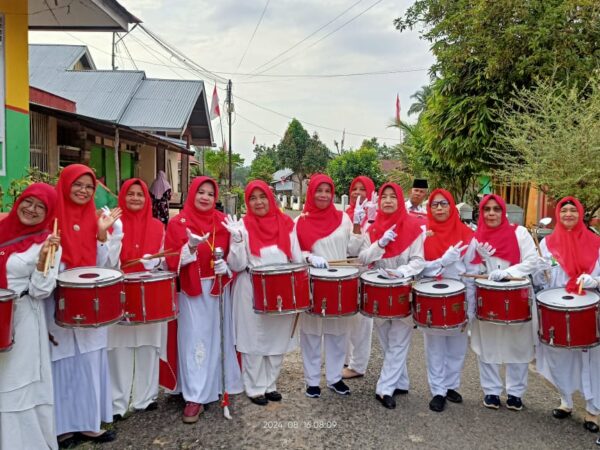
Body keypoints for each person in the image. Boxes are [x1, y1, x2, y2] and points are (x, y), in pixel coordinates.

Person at [46, 164, 123, 447]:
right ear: (65, 185)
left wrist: (101, 235)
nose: (83, 190)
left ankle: (90, 424)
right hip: (58, 300)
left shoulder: (94, 219)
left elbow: (101, 266)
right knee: (62, 362)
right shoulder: (50, 218)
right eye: (78, 184)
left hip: (89, 303)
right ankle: (63, 428)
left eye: (89, 187)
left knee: (90, 361)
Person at [165, 176, 243, 424]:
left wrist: (228, 264)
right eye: (201, 192)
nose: (205, 197)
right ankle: (194, 395)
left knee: (218, 337)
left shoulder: (223, 222)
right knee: (194, 339)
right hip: (192, 292)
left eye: (210, 193)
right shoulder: (178, 223)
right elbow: (170, 262)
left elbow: (237, 260)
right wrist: (188, 249)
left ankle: (217, 386)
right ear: (192, 194)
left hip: (219, 288)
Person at [226, 180, 302, 405]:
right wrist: (238, 241)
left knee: (277, 337)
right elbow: (236, 264)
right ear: (247, 202)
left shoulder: (287, 223)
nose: (258, 202)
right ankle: (254, 387)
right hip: (251, 287)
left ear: (270, 198)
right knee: (253, 338)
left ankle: (270, 384)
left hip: (281, 289)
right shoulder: (242, 224)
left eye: (262, 197)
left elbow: (296, 256)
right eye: (252, 198)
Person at [0, 183, 61, 450]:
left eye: (41, 207)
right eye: (28, 202)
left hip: (21, 319)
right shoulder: (2, 230)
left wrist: (41, 264)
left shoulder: (48, 243)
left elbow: (41, 291)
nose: (32, 210)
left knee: (16, 383)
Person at [534, 196, 600, 433]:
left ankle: (593, 409)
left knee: (591, 360)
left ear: (580, 213)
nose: (568, 214)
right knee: (559, 356)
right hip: (557, 308)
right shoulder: (547, 243)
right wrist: (540, 273)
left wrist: (595, 280)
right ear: (558, 215)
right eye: (564, 210)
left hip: (588, 308)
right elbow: (542, 281)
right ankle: (566, 401)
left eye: (573, 210)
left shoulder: (596, 242)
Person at [295, 174, 364, 398]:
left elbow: (353, 250)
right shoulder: (300, 221)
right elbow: (294, 252)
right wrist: (309, 257)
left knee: (337, 333)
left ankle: (335, 378)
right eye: (319, 190)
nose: (323, 195)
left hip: (339, 282)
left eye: (327, 191)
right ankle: (312, 381)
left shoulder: (343, 218)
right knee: (311, 334)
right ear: (311, 193)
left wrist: (357, 225)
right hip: (313, 282)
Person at [358, 182, 425, 409]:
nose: (387, 200)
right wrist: (380, 243)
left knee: (398, 340)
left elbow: (418, 260)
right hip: (378, 292)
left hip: (403, 290)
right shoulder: (373, 228)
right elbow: (363, 258)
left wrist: (401, 272)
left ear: (399, 200)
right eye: (384, 197)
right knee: (386, 339)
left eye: (392, 197)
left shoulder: (414, 227)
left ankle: (384, 388)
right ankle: (401, 381)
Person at [469, 194, 537, 411]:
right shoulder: (475, 236)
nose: (491, 214)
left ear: (503, 212)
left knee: (517, 344)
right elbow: (471, 269)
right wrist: (478, 264)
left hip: (516, 295)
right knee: (488, 343)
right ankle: (491, 391)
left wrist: (507, 272)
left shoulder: (520, 232)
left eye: (496, 209)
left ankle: (516, 393)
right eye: (487, 209)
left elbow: (532, 261)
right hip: (487, 296)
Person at [107, 179, 165, 420]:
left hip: (148, 292)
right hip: (119, 290)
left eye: (139, 194)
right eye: (129, 193)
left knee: (148, 346)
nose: (135, 198)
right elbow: (105, 259)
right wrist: (116, 237)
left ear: (147, 198)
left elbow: (164, 258)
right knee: (118, 348)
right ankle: (117, 402)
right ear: (122, 196)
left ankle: (146, 397)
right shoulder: (111, 224)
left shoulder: (157, 226)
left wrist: (157, 262)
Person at [420, 188, 477, 412]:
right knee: (435, 346)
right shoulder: (423, 233)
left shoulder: (466, 234)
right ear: (429, 208)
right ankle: (438, 391)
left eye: (444, 204)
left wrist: (470, 308)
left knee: (457, 346)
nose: (440, 208)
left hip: (458, 295)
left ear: (452, 206)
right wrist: (442, 262)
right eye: (435, 204)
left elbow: (472, 271)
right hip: (431, 295)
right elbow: (418, 267)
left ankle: (451, 385)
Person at [343, 176, 377, 380]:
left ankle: (358, 365)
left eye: (362, 189)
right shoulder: (345, 216)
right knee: (347, 319)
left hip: (367, 273)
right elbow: (347, 248)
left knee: (363, 323)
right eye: (354, 188)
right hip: (347, 272)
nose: (357, 192)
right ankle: (347, 359)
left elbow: (372, 249)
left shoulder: (377, 216)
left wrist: (371, 221)